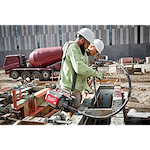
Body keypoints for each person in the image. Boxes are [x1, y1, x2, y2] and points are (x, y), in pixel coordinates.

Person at [60, 28, 103, 109]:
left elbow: (79, 74)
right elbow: (79, 68)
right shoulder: (73, 48)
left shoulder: (79, 50)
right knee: (72, 116)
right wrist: (95, 73)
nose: (87, 47)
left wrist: (85, 86)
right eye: (87, 44)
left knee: (74, 112)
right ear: (82, 40)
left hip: (75, 90)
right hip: (70, 90)